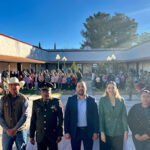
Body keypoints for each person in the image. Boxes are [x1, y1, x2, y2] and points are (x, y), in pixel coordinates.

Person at [64, 80, 99, 150]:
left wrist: (96, 131)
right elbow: (67, 117)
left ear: (86, 88)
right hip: (75, 131)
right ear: (76, 88)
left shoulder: (92, 100)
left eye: (82, 86)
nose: (81, 88)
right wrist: (66, 131)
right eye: (79, 86)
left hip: (88, 131)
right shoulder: (71, 100)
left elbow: (96, 117)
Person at [30, 82, 63, 150]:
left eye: (47, 91)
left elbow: (61, 119)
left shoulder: (56, 102)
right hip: (40, 136)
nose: (46, 93)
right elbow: (33, 120)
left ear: (51, 92)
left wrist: (60, 134)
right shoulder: (36, 103)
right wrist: (31, 135)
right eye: (44, 91)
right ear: (41, 92)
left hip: (53, 135)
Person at [0, 77, 28, 150]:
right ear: (8, 87)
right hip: (7, 132)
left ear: (19, 86)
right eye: (11, 85)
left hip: (20, 132)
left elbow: (24, 116)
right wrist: (7, 129)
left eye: (15, 85)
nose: (13, 87)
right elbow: (0, 115)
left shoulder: (23, 99)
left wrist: (15, 129)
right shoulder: (3, 99)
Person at [99, 81, 128, 150]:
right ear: (106, 89)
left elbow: (124, 117)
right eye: (109, 88)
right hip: (106, 132)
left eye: (113, 88)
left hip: (118, 132)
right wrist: (102, 132)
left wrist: (125, 131)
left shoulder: (121, 100)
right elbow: (101, 117)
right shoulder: (102, 100)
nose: (111, 89)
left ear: (116, 89)